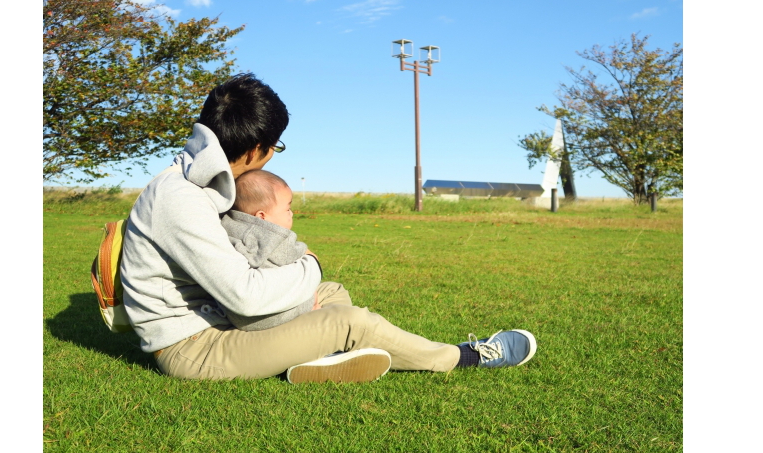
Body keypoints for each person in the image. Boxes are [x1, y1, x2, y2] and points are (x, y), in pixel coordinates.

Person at [120, 73, 537, 384]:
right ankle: (465, 356)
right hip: (195, 346)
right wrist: (309, 266)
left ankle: (318, 361)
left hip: (220, 320)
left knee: (330, 294)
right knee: (348, 319)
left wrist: (313, 281)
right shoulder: (180, 198)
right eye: (275, 147)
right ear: (256, 149)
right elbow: (244, 296)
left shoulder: (198, 180)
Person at [221, 169, 353, 331]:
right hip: (272, 316)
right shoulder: (274, 237)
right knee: (315, 297)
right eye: (287, 209)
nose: (291, 213)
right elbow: (300, 256)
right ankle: (333, 333)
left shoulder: (228, 226)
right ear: (262, 216)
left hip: (238, 317)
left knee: (332, 290)